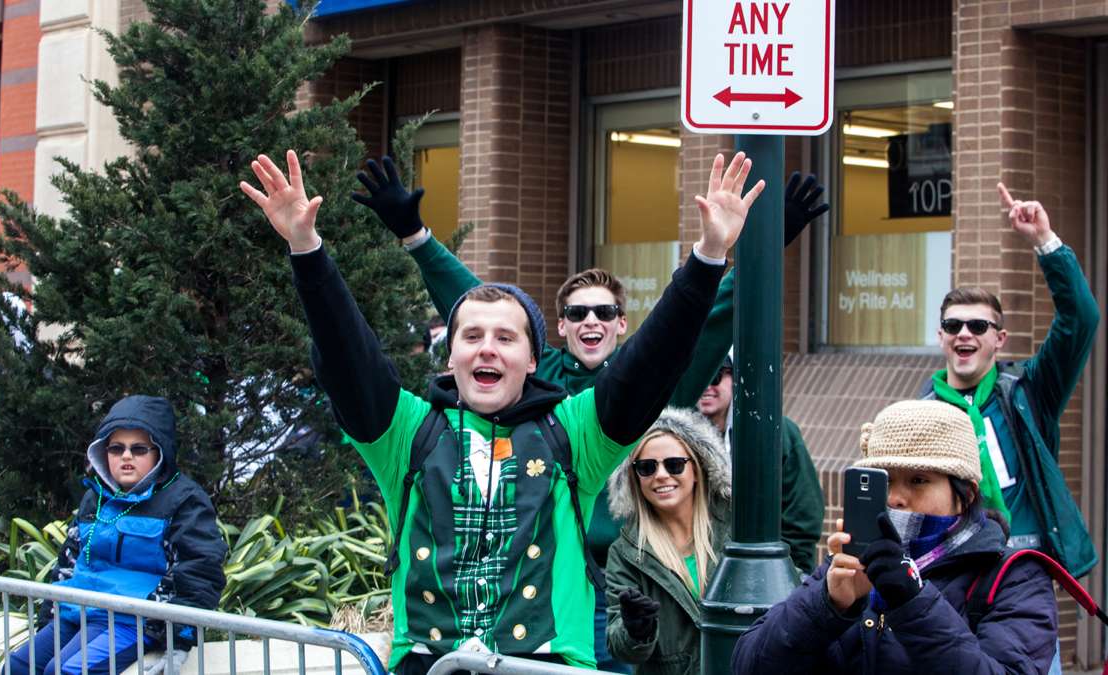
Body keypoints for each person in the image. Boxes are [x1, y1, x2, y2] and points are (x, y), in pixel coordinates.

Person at [240, 149, 763, 673]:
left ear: (533, 359)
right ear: (451, 356)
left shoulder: (575, 433)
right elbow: (346, 356)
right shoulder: (406, 432)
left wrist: (709, 255)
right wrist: (306, 250)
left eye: (506, 337)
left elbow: (654, 359)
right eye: (472, 335)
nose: (487, 348)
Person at [351, 155, 828, 669]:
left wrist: (761, 246)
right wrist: (418, 239)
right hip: (544, 589)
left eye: (605, 312)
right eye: (578, 313)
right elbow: (476, 305)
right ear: (554, 330)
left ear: (623, 324)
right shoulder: (541, 383)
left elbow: (704, 319)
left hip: (631, 583)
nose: (591, 321)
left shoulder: (646, 386)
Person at [732, 399, 1058, 674]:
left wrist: (911, 598)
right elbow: (748, 663)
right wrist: (828, 604)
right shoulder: (850, 562)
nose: (896, 498)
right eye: (885, 481)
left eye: (917, 480)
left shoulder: (1015, 577)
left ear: (967, 494)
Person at [919, 184, 1099, 579]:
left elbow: (1080, 318)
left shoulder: (1028, 391)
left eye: (978, 325)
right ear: (941, 336)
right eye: (953, 325)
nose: (964, 333)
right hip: (954, 578)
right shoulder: (922, 415)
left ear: (999, 339)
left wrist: (1044, 242)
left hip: (1025, 573)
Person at [6, 395, 227, 675]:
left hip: (131, 619)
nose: (126, 456)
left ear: (159, 452)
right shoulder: (95, 497)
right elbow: (68, 563)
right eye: (116, 448)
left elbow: (200, 568)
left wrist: (179, 641)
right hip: (79, 609)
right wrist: (48, 619)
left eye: (138, 449)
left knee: (67, 672)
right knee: (19, 667)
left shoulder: (184, 500)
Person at [603, 408, 731, 675]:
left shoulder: (736, 526)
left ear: (697, 468)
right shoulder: (625, 552)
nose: (661, 475)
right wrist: (636, 630)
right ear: (635, 480)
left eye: (674, 464)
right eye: (647, 468)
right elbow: (619, 646)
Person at [697, 352, 824, 573]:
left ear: (735, 378)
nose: (707, 386)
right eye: (698, 377)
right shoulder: (676, 437)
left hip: (769, 572)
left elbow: (803, 514)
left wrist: (788, 572)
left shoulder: (777, 431)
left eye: (716, 376)